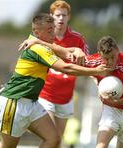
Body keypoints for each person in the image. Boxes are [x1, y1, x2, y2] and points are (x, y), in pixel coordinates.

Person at [0, 13, 110, 148]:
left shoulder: (42, 44)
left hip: (31, 104)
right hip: (14, 103)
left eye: (53, 28)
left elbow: (65, 51)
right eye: (49, 30)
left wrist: (77, 49)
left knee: (54, 139)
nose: (53, 33)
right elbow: (66, 68)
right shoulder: (38, 48)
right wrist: (96, 71)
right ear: (37, 32)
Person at [37, 0, 89, 142]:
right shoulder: (43, 37)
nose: (61, 18)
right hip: (45, 95)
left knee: (58, 140)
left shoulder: (78, 39)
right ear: (51, 16)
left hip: (66, 98)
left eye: (64, 15)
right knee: (50, 137)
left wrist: (95, 73)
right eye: (58, 15)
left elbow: (88, 62)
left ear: (69, 17)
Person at [84, 36, 123, 148]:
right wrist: (94, 76)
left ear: (118, 50)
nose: (110, 62)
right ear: (100, 55)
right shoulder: (95, 62)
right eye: (106, 58)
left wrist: (116, 102)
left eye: (113, 57)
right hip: (112, 110)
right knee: (101, 146)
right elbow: (73, 66)